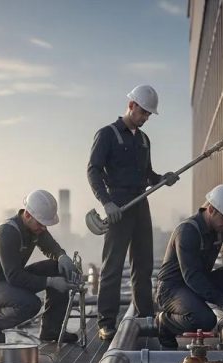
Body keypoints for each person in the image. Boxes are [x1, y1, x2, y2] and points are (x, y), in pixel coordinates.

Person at [87, 84, 179, 341]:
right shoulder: (107, 134)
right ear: (131, 106)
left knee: (143, 263)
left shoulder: (143, 140)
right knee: (113, 266)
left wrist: (163, 178)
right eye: (143, 113)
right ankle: (106, 322)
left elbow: (148, 174)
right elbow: (93, 170)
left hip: (140, 204)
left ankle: (145, 316)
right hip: (118, 205)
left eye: (149, 114)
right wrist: (106, 202)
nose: (146, 118)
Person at [153, 184, 223, 348]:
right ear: (211, 210)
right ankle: (165, 323)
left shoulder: (221, 226)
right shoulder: (187, 232)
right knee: (205, 319)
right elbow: (192, 276)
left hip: (197, 284)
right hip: (172, 289)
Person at [0, 190, 79, 344]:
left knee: (57, 268)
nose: (44, 228)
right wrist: (50, 282)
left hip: (10, 280)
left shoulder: (35, 227)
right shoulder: (7, 233)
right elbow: (14, 277)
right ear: (28, 215)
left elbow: (50, 246)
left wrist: (62, 256)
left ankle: (51, 330)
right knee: (30, 304)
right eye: (41, 223)